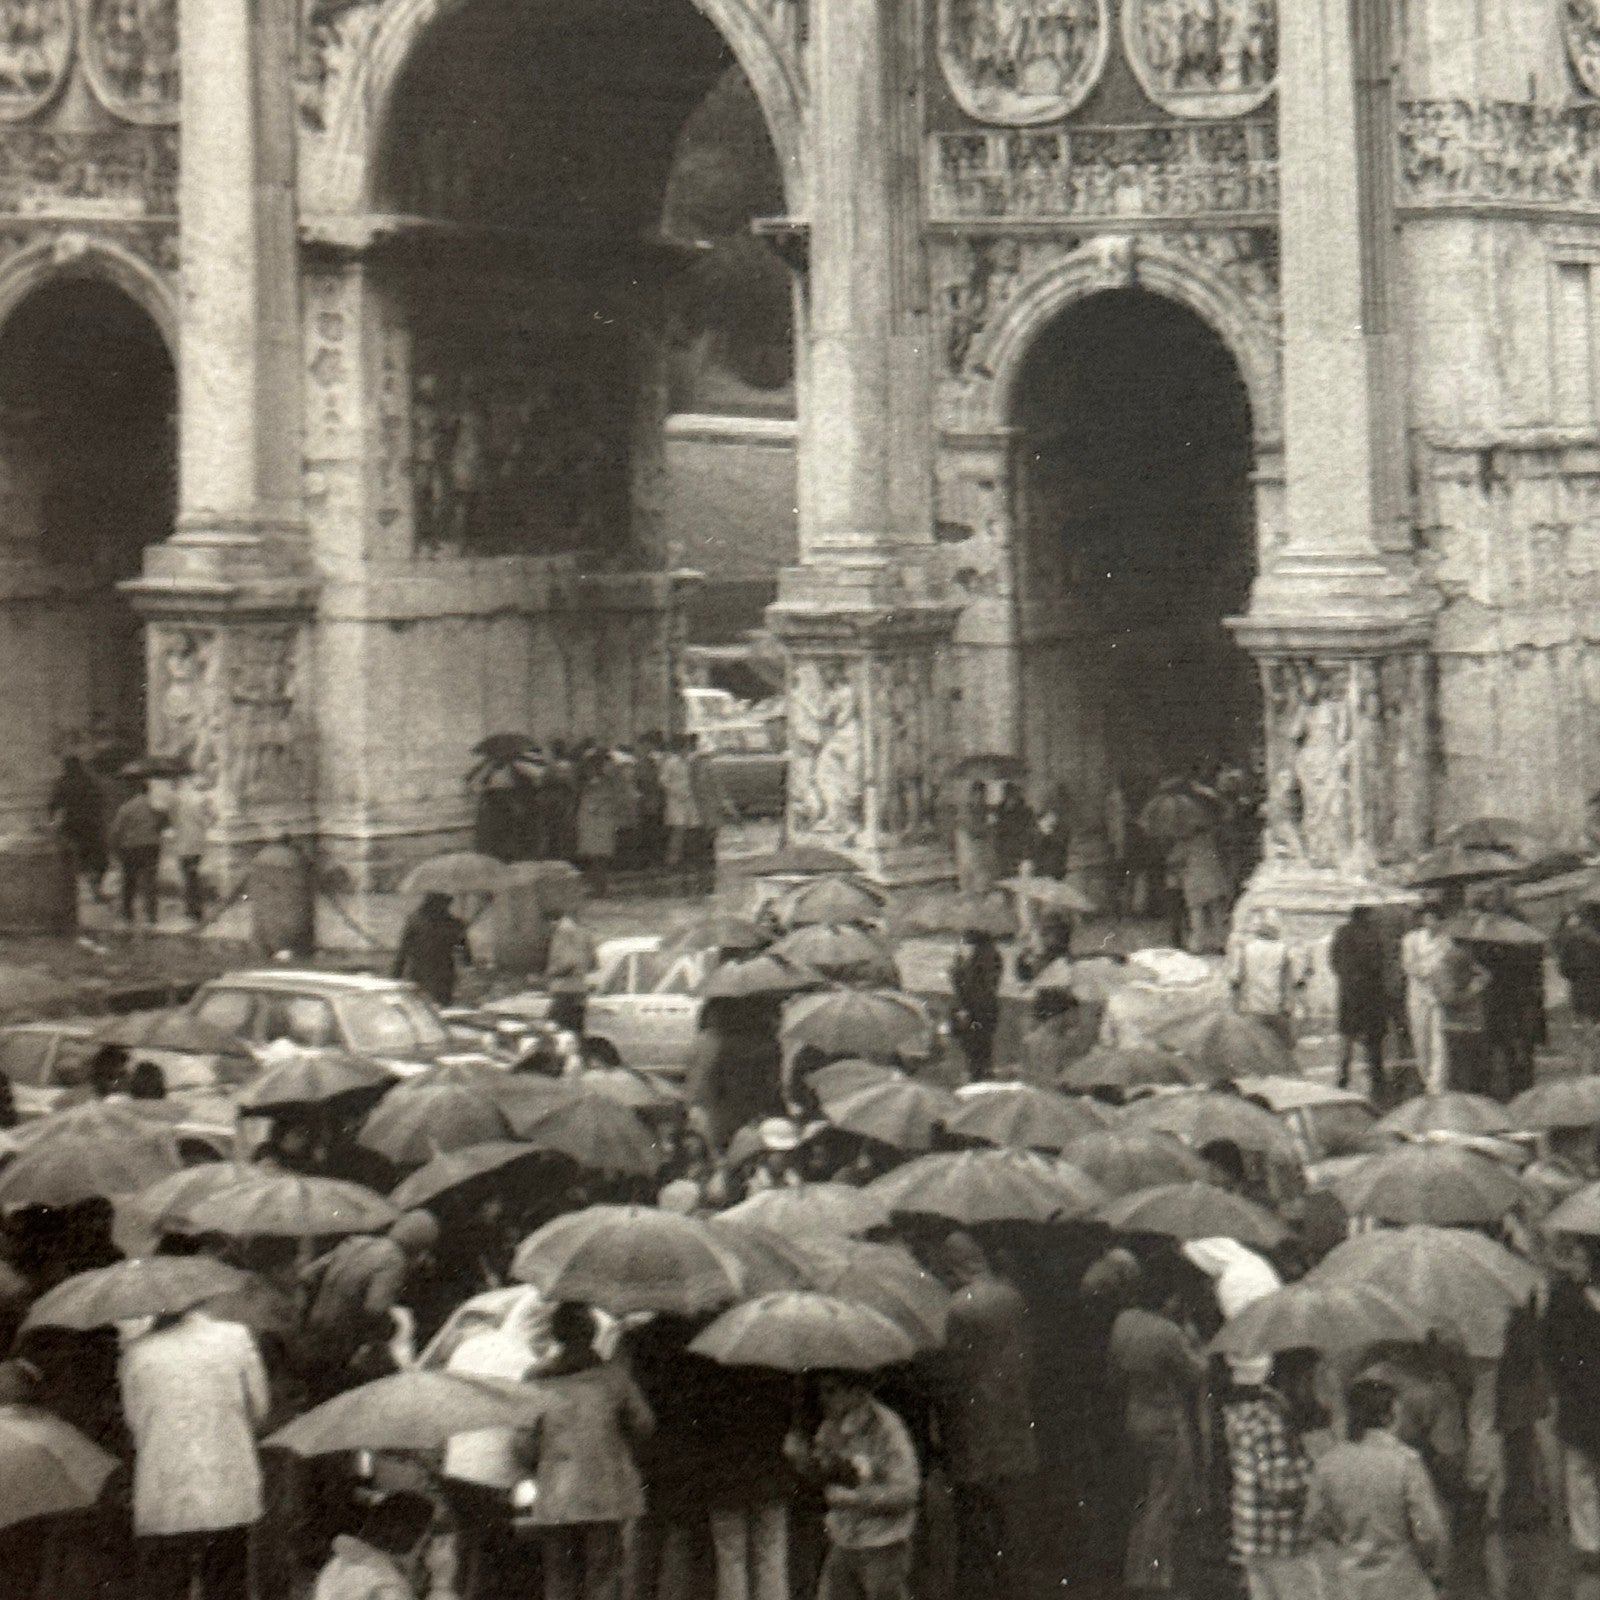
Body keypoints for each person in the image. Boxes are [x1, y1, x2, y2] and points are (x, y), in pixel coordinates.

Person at [119, 1307, 270, 1600]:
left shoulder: (137, 1352)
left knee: (168, 1581)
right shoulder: (235, 1336)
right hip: (227, 1476)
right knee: (227, 1579)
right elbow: (260, 1407)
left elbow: (135, 1422)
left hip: (164, 1482)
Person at [522, 1300, 655, 1600]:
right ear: (593, 1334)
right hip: (605, 1491)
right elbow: (644, 1425)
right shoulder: (614, 1378)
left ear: (556, 1335)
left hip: (556, 1491)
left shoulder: (536, 1381)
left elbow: (523, 1443)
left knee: (560, 1575)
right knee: (603, 1572)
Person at [932, 1230, 1039, 1600]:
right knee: (1011, 1510)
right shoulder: (1012, 1296)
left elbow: (953, 1369)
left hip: (975, 1418)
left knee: (976, 1510)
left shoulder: (958, 1307)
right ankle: (1014, 1584)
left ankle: (980, 1586)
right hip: (1013, 1413)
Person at [1108, 1266, 1205, 1599]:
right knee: (1163, 1499)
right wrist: (1195, 1341)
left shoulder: (1124, 1321)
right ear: (1168, 1298)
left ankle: (1134, 1566)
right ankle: (1152, 1573)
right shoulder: (1168, 1332)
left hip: (1133, 1414)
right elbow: (1195, 1374)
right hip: (1165, 1419)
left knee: (1144, 1495)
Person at [1305, 1377, 1449, 1600]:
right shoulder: (1405, 1462)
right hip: (1403, 1581)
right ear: (1388, 1415)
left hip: (1349, 1583)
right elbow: (1429, 1529)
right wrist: (1436, 1570)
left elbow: (1315, 1521)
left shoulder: (1328, 1463)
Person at [784, 1372, 921, 1600]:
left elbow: (906, 1492)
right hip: (844, 1539)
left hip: (883, 1542)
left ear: (856, 1392)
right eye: (821, 1391)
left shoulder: (886, 1428)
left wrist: (854, 1500)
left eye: (832, 1391)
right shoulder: (830, 1427)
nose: (823, 1399)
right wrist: (803, 1461)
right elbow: (824, 1478)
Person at [300, 1211, 440, 1398]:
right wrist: (392, 1328)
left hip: (313, 1338)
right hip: (342, 1350)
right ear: (420, 1250)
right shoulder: (394, 1260)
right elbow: (375, 1308)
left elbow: (307, 1275)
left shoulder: (357, 1243)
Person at [1220, 1353, 1317, 1600]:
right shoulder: (1272, 1422)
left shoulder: (1244, 1415)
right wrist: (1314, 1474)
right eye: (1310, 1379)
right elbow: (1281, 1485)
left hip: (1252, 1533)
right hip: (1280, 1539)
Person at [1541, 1243, 1600, 1574]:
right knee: (1580, 1474)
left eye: (1580, 1258)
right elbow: (1550, 1345)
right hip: (1579, 1397)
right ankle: (1589, 1544)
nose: (1573, 1265)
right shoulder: (1564, 1298)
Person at [312, 1492, 437, 1600]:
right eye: (425, 1544)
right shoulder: (389, 1587)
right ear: (412, 1541)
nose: (425, 1554)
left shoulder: (340, 1562)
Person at [1329, 905, 1389, 1093]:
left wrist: (1345, 977)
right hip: (1370, 991)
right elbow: (1378, 962)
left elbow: (1333, 961)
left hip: (1347, 990)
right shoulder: (1374, 934)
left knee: (1347, 1035)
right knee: (1373, 1038)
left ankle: (1342, 1074)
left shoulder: (1341, 932)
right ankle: (1376, 1075)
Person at [1225, 910, 1303, 1047]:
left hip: (1251, 1009)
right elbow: (1292, 981)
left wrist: (1234, 1007)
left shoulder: (1245, 950)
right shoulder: (1284, 951)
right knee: (1283, 1051)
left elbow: (1235, 980)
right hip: (1276, 1010)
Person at [1400, 903, 1453, 1094]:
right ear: (1423, 919)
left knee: (1439, 1039)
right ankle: (1426, 1078)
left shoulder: (1446, 941)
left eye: (1436, 919)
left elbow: (1448, 964)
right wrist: (1426, 972)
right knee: (1420, 1039)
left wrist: (1437, 974)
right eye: (1429, 918)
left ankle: (1437, 1084)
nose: (1432, 922)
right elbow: (1408, 965)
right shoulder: (1412, 939)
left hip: (1438, 995)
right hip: (1418, 995)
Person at [392, 892, 471, 1007]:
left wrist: (395, 975)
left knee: (420, 1006)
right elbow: (465, 954)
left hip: (419, 973)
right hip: (444, 975)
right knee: (441, 1006)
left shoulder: (414, 921)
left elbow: (403, 952)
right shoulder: (454, 924)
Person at [48, 754, 106, 901]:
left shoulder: (62, 783)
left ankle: (69, 893)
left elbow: (53, 804)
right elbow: (100, 800)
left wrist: (52, 821)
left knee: (70, 858)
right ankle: (96, 890)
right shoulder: (89, 781)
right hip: (91, 825)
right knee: (95, 859)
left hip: (71, 825)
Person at [108, 780, 167, 924]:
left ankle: (128, 912)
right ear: (147, 791)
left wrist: (114, 848)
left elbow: (116, 830)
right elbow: (164, 823)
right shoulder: (154, 807)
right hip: (151, 846)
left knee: (129, 880)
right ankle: (151, 913)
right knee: (150, 880)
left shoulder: (126, 808)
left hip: (131, 847)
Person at [949, 927, 1003, 1081]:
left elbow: (965, 985)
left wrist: (957, 970)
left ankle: (977, 1075)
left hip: (973, 1009)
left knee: (974, 1046)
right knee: (983, 1047)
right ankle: (982, 1073)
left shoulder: (977, 959)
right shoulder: (993, 956)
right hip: (986, 1009)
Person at [1557, 902, 1600, 1072]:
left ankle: (1589, 1073)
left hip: (1581, 993)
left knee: (1588, 1037)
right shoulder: (1596, 940)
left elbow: (1564, 969)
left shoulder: (1573, 940)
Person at [167, 774, 215, 924]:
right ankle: (195, 909)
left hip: (182, 842)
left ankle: (192, 909)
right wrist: (204, 824)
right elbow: (214, 816)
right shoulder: (201, 798)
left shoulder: (175, 800)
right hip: (197, 842)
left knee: (187, 876)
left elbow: (172, 820)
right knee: (193, 875)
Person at [546, 904, 598, 1037]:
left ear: (552, 921)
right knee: (576, 1032)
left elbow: (568, 962)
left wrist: (551, 972)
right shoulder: (585, 932)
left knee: (554, 1030)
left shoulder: (562, 933)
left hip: (564, 990)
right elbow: (594, 963)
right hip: (580, 990)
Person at [575, 751, 622, 897]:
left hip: (601, 823)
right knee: (597, 857)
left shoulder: (605, 782)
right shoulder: (596, 784)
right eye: (608, 764)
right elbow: (592, 804)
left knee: (600, 857)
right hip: (595, 824)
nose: (612, 767)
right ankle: (599, 887)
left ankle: (600, 887)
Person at [659, 737, 701, 869]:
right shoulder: (671, 762)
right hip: (675, 799)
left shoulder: (689, 762)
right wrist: (675, 791)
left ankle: (686, 857)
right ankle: (672, 859)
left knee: (690, 827)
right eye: (685, 748)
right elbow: (663, 781)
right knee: (678, 828)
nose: (687, 751)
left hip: (689, 797)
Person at [954, 780, 997, 894]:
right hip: (969, 845)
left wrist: (989, 827)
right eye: (977, 795)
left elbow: (992, 828)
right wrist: (987, 827)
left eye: (983, 795)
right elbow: (971, 829)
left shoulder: (986, 809)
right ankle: (970, 890)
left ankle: (983, 890)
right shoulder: (966, 810)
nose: (980, 798)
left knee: (985, 866)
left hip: (982, 845)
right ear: (972, 795)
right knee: (970, 867)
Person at [993, 782, 1035, 880]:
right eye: (1008, 795)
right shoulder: (999, 811)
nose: (1011, 799)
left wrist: (1027, 854)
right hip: (1003, 854)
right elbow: (996, 833)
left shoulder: (1026, 812)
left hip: (1019, 853)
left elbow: (1030, 834)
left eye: (1013, 795)